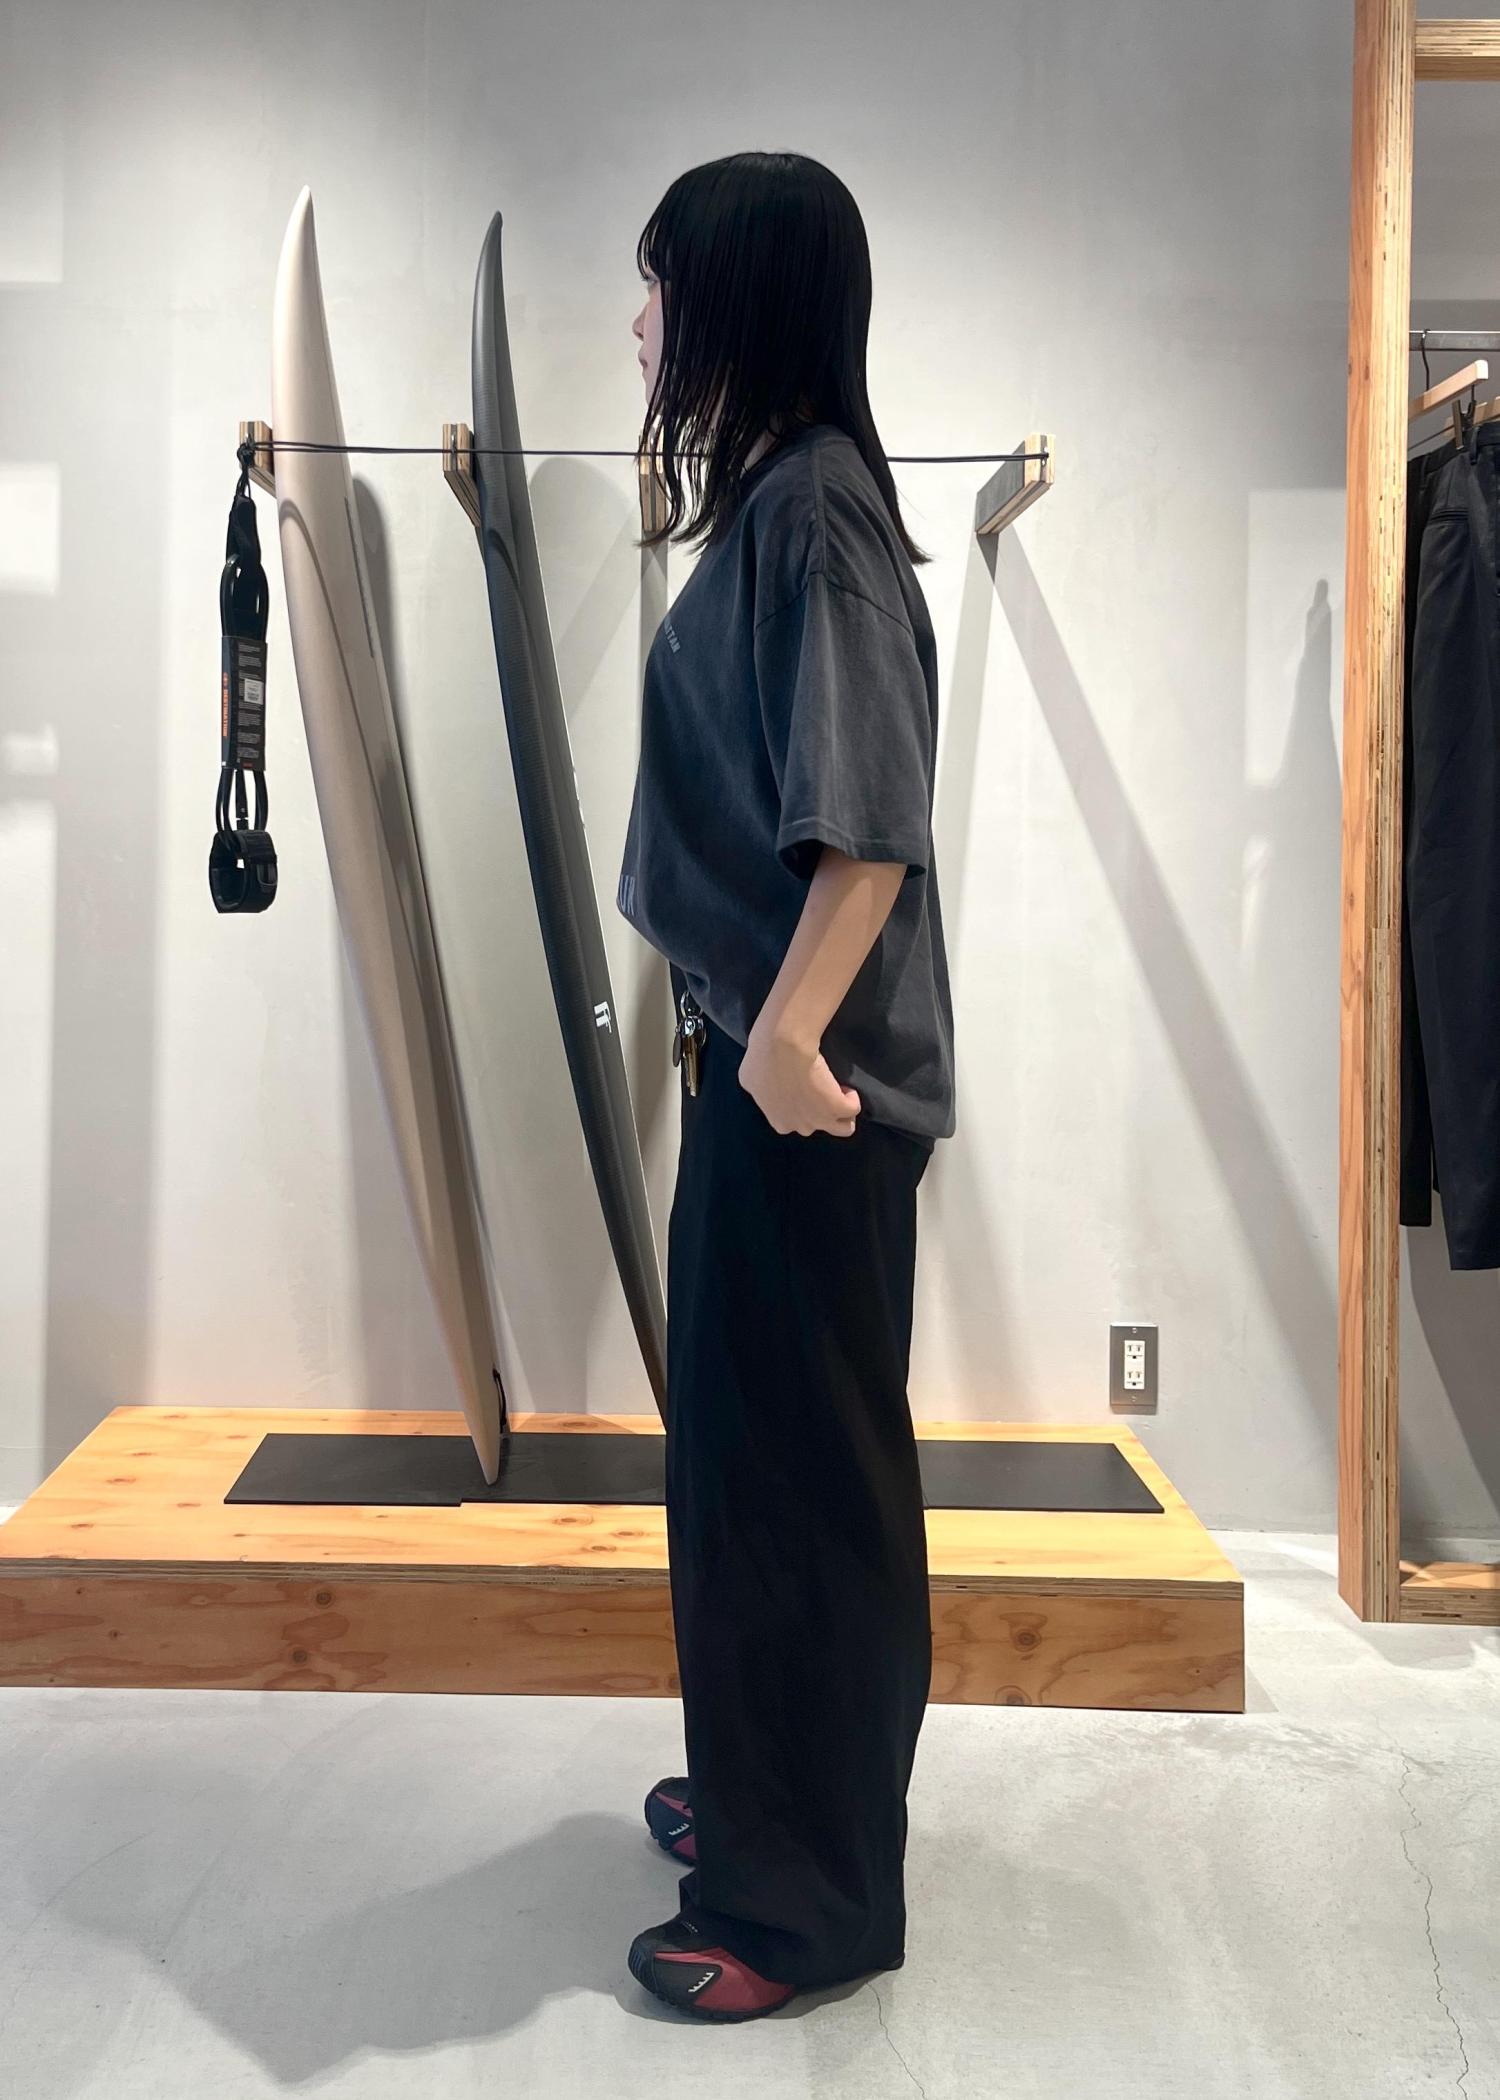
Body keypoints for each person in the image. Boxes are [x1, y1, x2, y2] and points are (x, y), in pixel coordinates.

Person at [616, 149, 957, 2023]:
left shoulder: (814, 507)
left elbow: (870, 828)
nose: (640, 322)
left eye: (661, 283)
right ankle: (767, 1797)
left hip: (799, 1100)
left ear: (738, 299)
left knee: (800, 1503)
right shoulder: (781, 499)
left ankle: (804, 1903)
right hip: (765, 1079)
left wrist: (786, 1040)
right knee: (751, 1480)